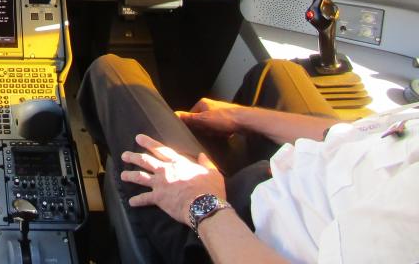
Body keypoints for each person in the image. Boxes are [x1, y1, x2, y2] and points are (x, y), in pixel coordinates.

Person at [78, 54, 419, 263]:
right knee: (276, 72)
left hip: (238, 237)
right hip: (309, 174)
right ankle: (219, 161)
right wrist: (241, 117)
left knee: (113, 73)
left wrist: (201, 202)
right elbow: (357, 134)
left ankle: (111, 212)